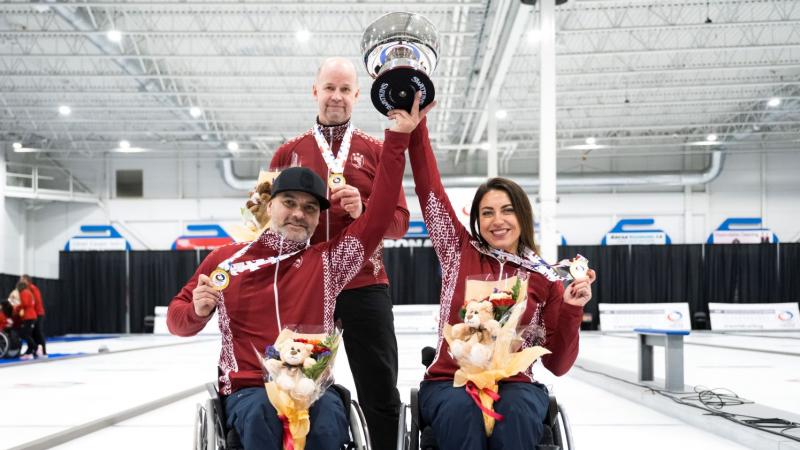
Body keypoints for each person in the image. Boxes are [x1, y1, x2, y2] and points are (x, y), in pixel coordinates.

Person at [168, 96, 429, 449]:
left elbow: (381, 216)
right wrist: (196, 311)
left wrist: (398, 139)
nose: (298, 214)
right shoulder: (226, 260)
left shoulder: (328, 263)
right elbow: (177, 320)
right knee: (263, 413)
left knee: (327, 419)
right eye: (289, 203)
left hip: (312, 389)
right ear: (269, 204)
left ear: (319, 217)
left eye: (309, 208)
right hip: (250, 391)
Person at [401, 109, 597, 449]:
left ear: (522, 215)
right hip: (451, 381)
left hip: (516, 383)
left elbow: (558, 364)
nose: (498, 221)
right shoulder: (458, 251)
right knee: (463, 413)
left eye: (507, 210)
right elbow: (429, 192)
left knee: (517, 414)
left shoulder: (544, 278)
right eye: (487, 212)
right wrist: (417, 128)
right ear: (476, 220)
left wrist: (571, 309)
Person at [269, 57, 408, 449]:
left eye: (345, 89)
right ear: (315, 91)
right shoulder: (287, 154)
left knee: (379, 392)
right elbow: (266, 224)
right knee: (297, 386)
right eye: (329, 88)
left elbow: (400, 223)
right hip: (308, 286)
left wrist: (365, 210)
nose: (336, 97)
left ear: (357, 96)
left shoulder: (379, 150)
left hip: (366, 284)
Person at [21, 275, 46, 358]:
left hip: (37, 313)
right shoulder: (26, 289)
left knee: (38, 332)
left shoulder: (32, 288)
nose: (21, 281)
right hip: (34, 313)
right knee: (31, 333)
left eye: (22, 279)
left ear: (27, 280)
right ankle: (32, 350)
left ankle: (43, 351)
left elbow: (36, 301)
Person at [14, 281, 38, 361]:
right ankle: (30, 351)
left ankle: (35, 347)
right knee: (27, 334)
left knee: (24, 334)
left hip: (29, 316)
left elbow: (25, 304)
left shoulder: (23, 293)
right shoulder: (29, 292)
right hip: (32, 315)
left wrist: (17, 307)